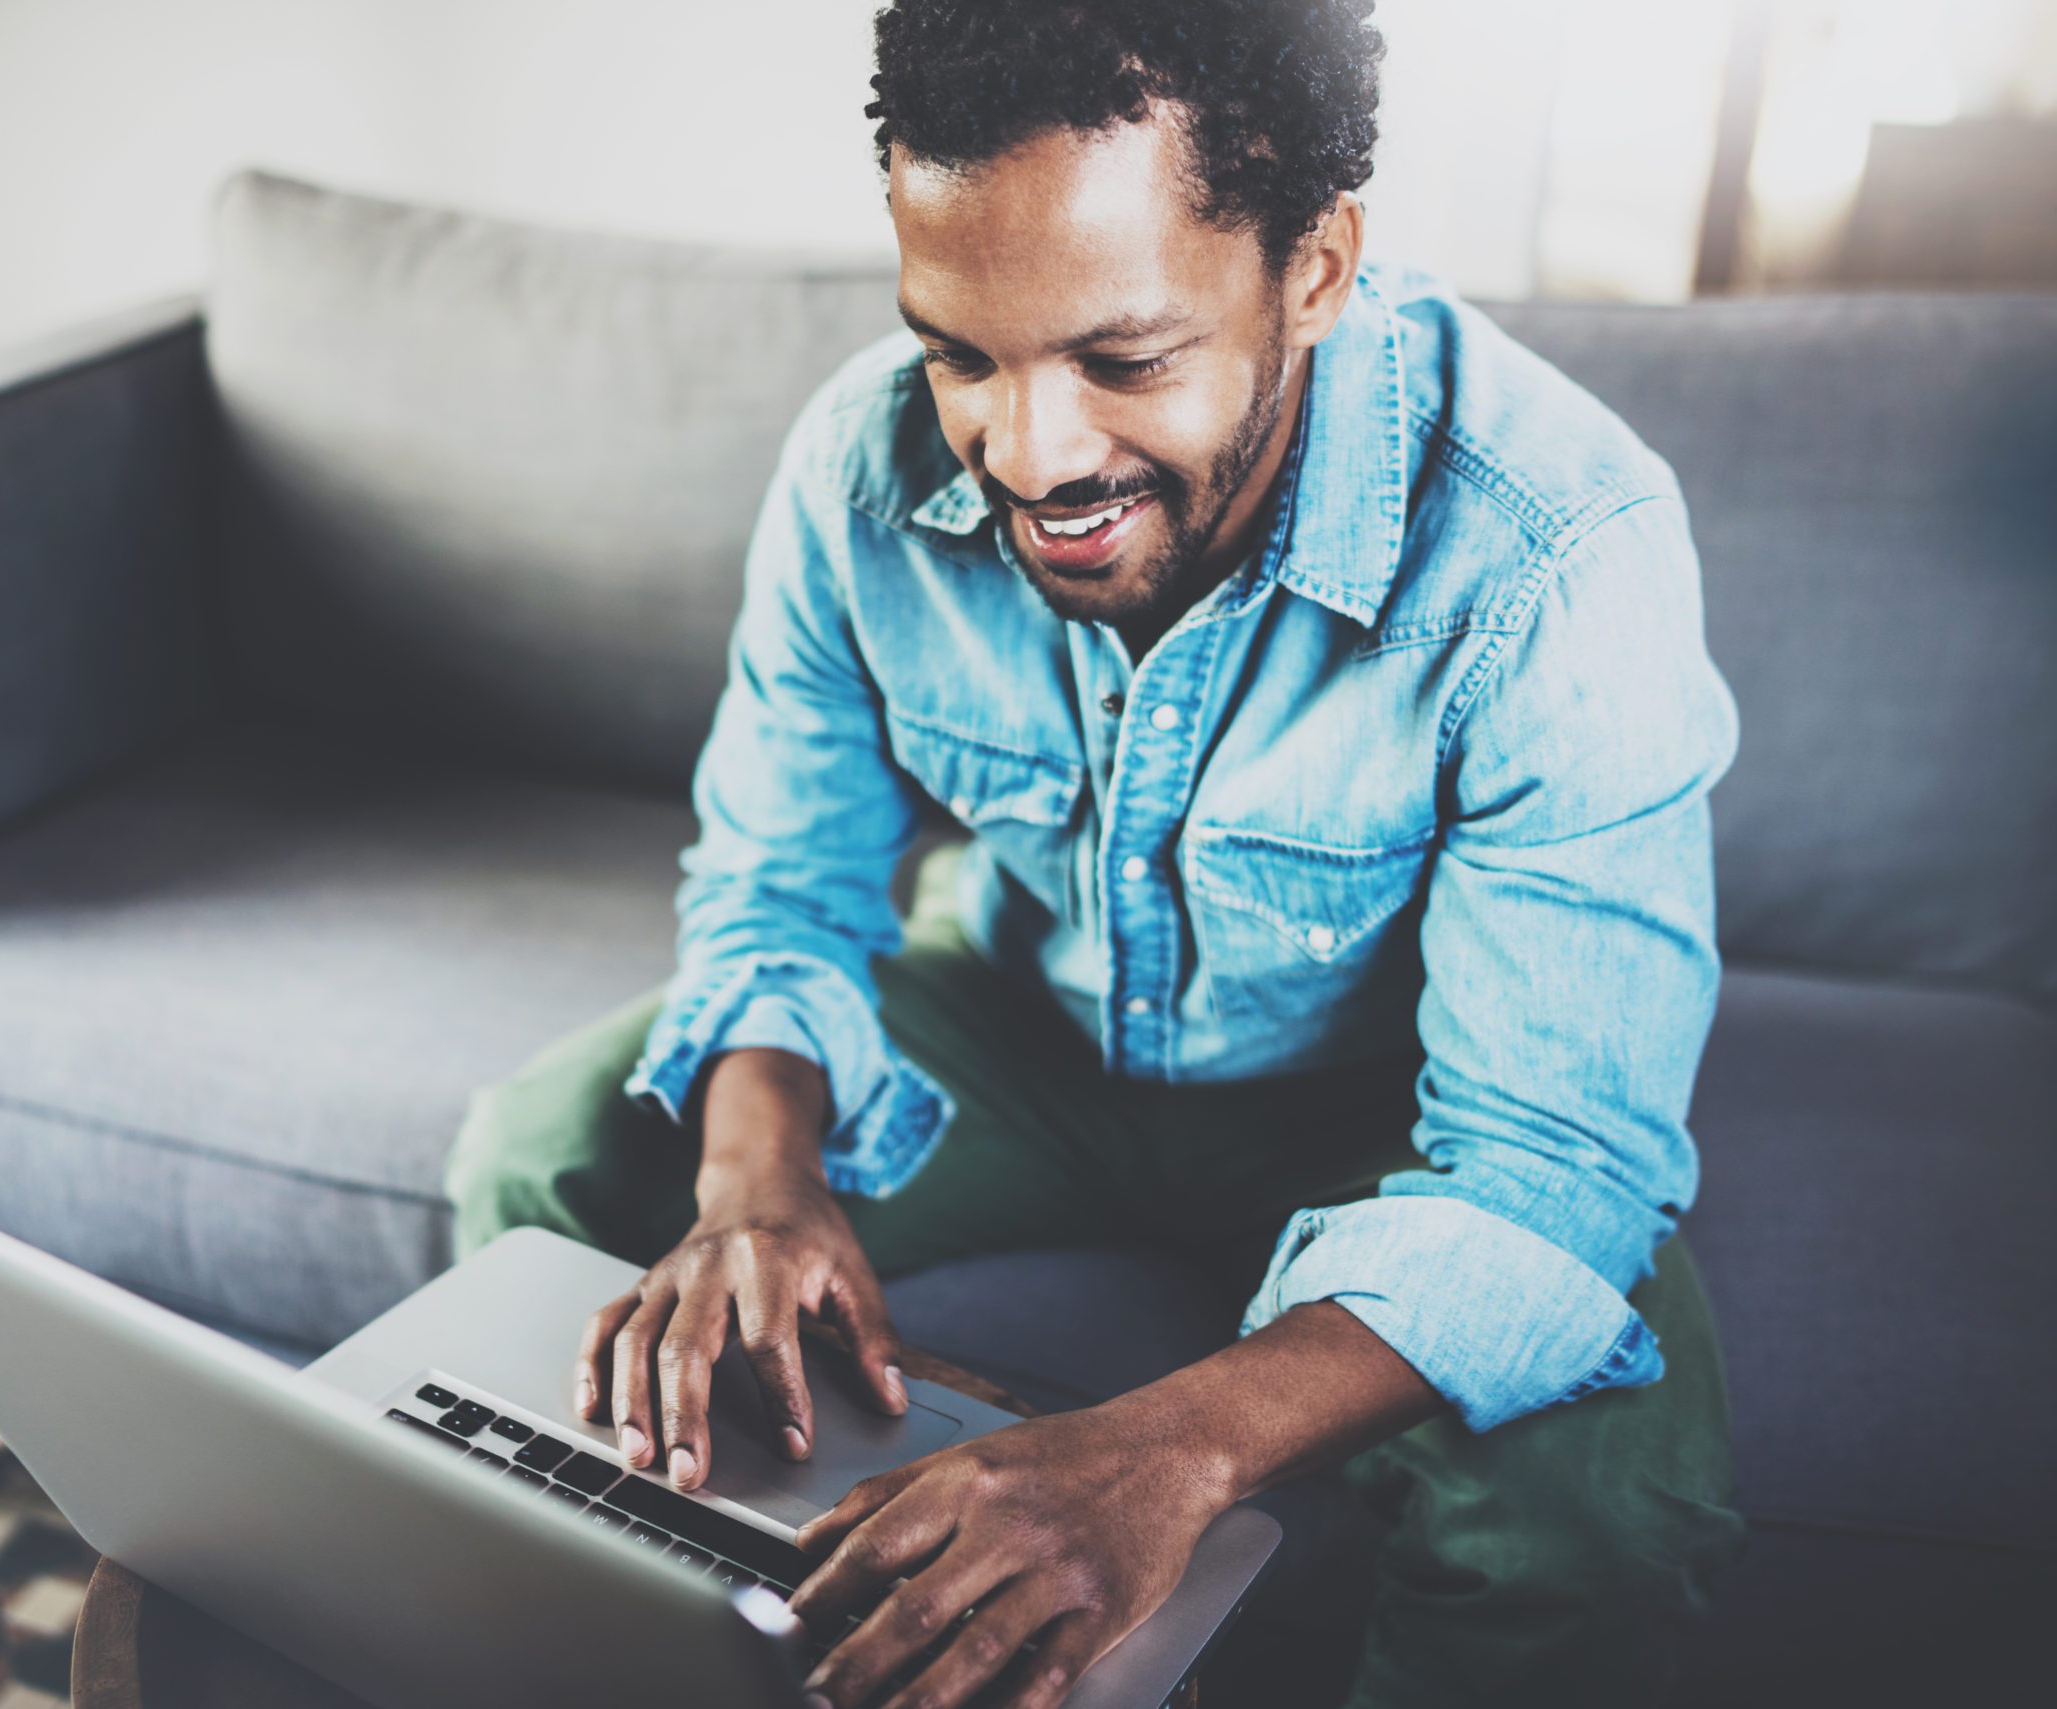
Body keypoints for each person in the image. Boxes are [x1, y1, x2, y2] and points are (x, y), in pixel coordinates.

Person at [444, 2, 1747, 1703]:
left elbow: (1556, 1165)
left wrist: (1170, 1450)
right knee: (552, 1162)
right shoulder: (861, 465)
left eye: (1123, 360)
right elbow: (780, 882)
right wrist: (758, 1181)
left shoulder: (1557, 555)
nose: (1027, 455)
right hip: (1022, 1015)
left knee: (1598, 1515)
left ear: (1315, 270)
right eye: (962, 353)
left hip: (1396, 1103)